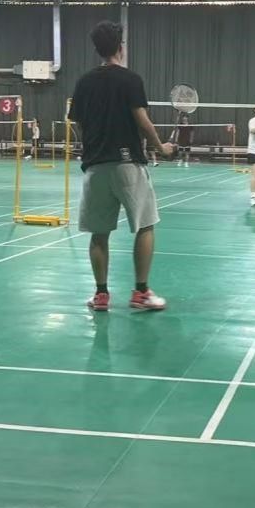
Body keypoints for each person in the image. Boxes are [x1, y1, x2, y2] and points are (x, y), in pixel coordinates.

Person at [70, 21, 173, 312]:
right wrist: (161, 148)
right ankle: (140, 293)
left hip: (95, 167)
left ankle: (101, 295)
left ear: (97, 49)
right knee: (146, 225)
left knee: (98, 233)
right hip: (127, 164)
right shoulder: (131, 79)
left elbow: (78, 121)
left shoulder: (84, 82)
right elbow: (142, 121)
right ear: (120, 47)